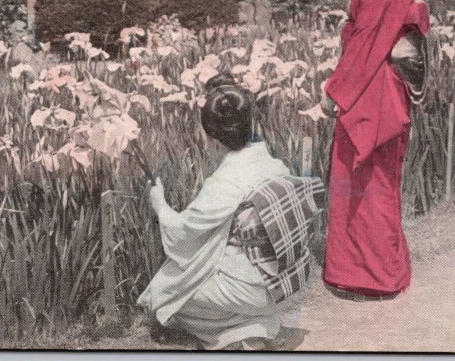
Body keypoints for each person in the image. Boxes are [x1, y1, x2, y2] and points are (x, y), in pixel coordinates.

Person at [138, 75, 323, 350]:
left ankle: (245, 331)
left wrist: (160, 204)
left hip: (254, 286)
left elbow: (183, 233)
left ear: (210, 132)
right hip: (285, 277)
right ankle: (256, 323)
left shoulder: (224, 182)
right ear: (251, 121)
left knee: (164, 293)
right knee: (189, 276)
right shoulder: (273, 164)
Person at [318, 0, 430, 299]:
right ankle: (366, 273)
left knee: (371, 185)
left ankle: (376, 277)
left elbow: (366, 48)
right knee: (362, 186)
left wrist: (334, 91)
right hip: (373, 92)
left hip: (375, 96)